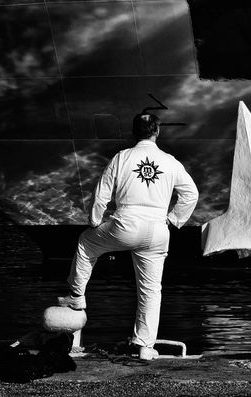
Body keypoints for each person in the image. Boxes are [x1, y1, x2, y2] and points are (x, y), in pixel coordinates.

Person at [57, 113, 199, 361]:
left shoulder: (121, 157)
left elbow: (102, 194)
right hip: (157, 230)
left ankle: (77, 297)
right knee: (151, 290)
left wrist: (94, 221)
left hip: (125, 225)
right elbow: (191, 195)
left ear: (133, 132)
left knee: (86, 243)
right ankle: (144, 345)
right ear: (157, 132)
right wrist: (174, 219)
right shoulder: (170, 161)